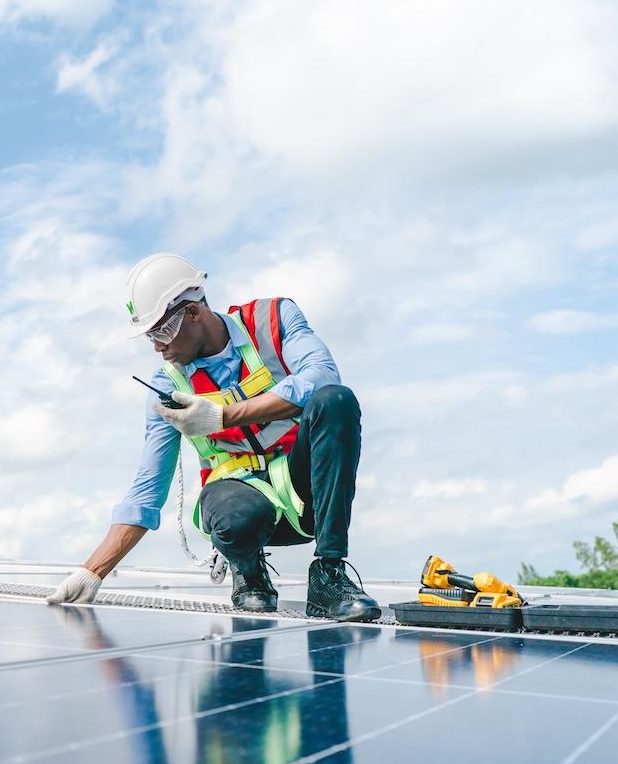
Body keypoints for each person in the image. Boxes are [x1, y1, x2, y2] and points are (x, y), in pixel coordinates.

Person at [46, 253, 380, 621]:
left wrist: (223, 415)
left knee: (336, 401)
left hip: (305, 498)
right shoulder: (165, 387)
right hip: (240, 511)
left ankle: (329, 574)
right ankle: (249, 574)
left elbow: (323, 377)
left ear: (192, 312)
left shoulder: (274, 320)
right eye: (150, 336)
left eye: (161, 330)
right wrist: (93, 570)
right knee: (236, 517)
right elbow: (148, 488)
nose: (157, 347)